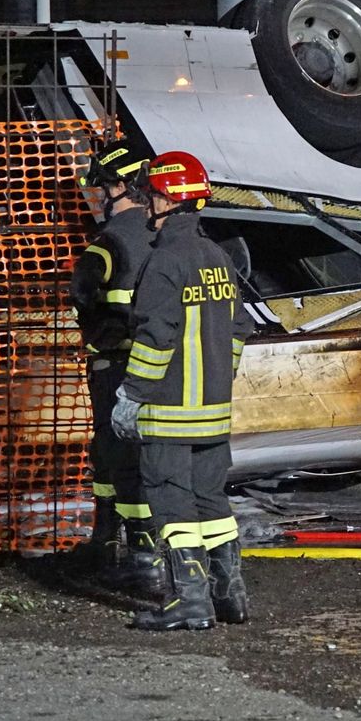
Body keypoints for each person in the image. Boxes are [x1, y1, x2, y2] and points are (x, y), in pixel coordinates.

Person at [113, 151, 253, 631]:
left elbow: (155, 336)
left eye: (150, 192)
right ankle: (230, 596)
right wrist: (219, 377)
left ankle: (190, 604)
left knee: (171, 502)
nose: (146, 201)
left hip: (169, 412)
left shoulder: (166, 261)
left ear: (169, 198)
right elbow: (239, 328)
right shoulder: (217, 257)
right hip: (214, 413)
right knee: (212, 501)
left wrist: (130, 395)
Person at [67, 142, 163, 595]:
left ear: (122, 187)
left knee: (116, 454)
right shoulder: (161, 237)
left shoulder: (108, 243)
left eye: (103, 185)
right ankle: (115, 545)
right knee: (122, 454)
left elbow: (82, 291)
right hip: (159, 366)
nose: (98, 195)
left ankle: (127, 553)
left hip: (113, 366)